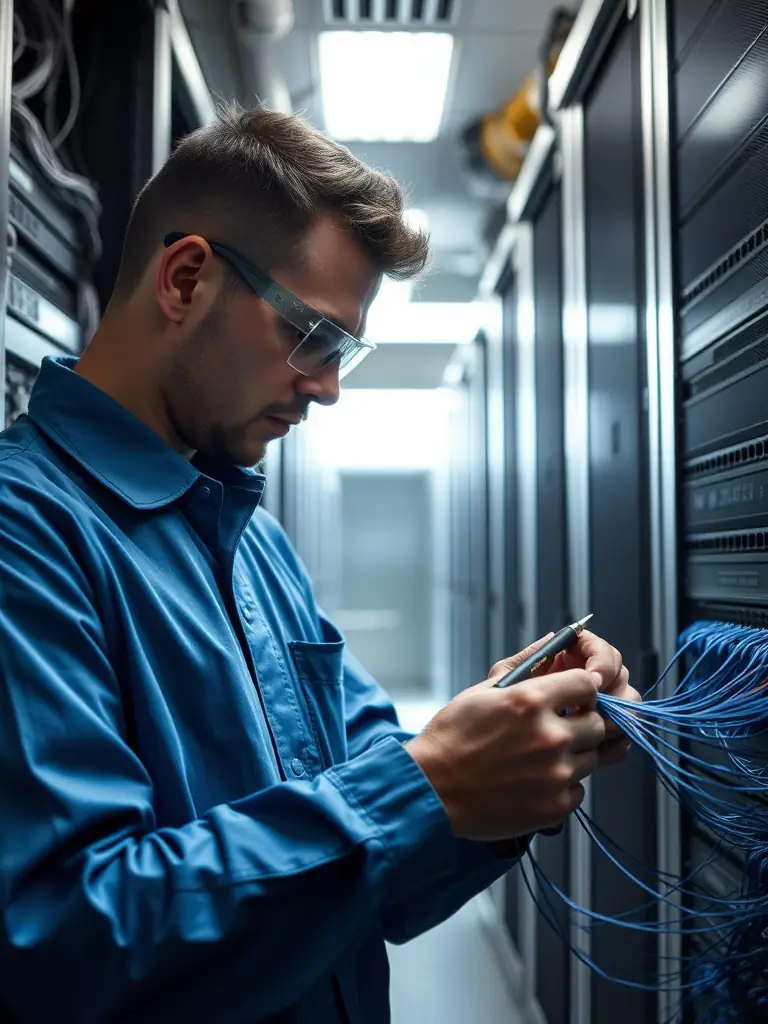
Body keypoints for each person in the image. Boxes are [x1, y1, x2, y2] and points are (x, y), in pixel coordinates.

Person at [0, 104, 640, 1024]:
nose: (329, 388)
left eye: (345, 350)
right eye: (313, 336)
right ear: (186, 280)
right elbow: (63, 940)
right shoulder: (27, 532)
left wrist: (514, 749)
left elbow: (387, 872)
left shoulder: (253, 542)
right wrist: (424, 787)